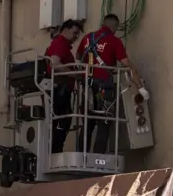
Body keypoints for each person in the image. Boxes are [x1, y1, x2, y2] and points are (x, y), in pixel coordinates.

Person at [75, 14, 145, 154]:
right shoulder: (114, 41)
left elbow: (78, 57)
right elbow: (126, 64)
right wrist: (140, 87)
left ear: (103, 23)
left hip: (87, 87)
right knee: (104, 121)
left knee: (88, 122)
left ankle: (80, 156)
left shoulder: (88, 38)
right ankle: (97, 158)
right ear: (115, 27)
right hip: (104, 87)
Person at [44, 19, 84, 154]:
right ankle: (55, 150)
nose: (76, 37)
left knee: (61, 121)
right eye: (74, 33)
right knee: (62, 121)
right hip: (59, 89)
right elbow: (55, 64)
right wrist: (75, 74)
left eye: (78, 34)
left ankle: (55, 149)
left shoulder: (60, 45)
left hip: (59, 89)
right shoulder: (60, 43)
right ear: (65, 31)